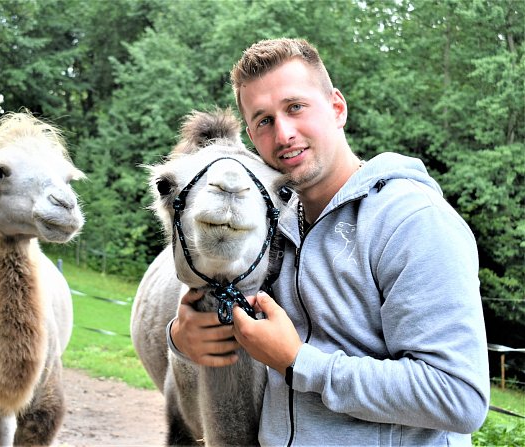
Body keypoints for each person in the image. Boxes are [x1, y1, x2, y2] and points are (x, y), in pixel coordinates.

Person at [167, 38, 490, 445]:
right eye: (264, 120)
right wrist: (182, 336)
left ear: (337, 107)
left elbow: (458, 397)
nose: (283, 133)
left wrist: (299, 362)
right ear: (251, 135)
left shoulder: (413, 220)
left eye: (295, 107)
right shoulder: (271, 223)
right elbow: (220, 295)